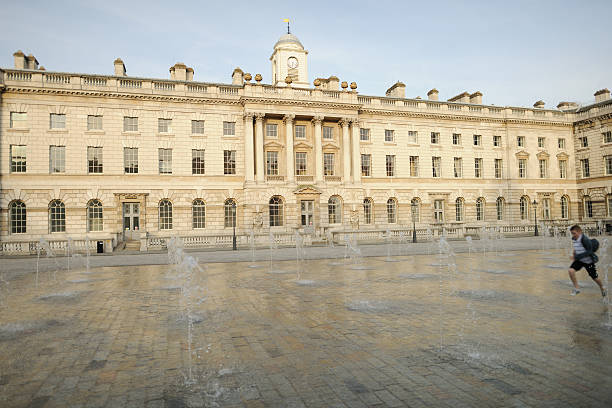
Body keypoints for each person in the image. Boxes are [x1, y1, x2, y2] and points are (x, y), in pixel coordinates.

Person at [568, 224, 606, 297]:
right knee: (571, 271)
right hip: (580, 260)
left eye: (574, 233)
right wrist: (573, 254)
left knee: (595, 278)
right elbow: (576, 247)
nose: (573, 235)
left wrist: (577, 256)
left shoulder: (584, 239)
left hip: (588, 261)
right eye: (572, 233)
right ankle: (577, 288)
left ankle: (602, 288)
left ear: (579, 232)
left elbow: (589, 251)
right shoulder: (574, 239)